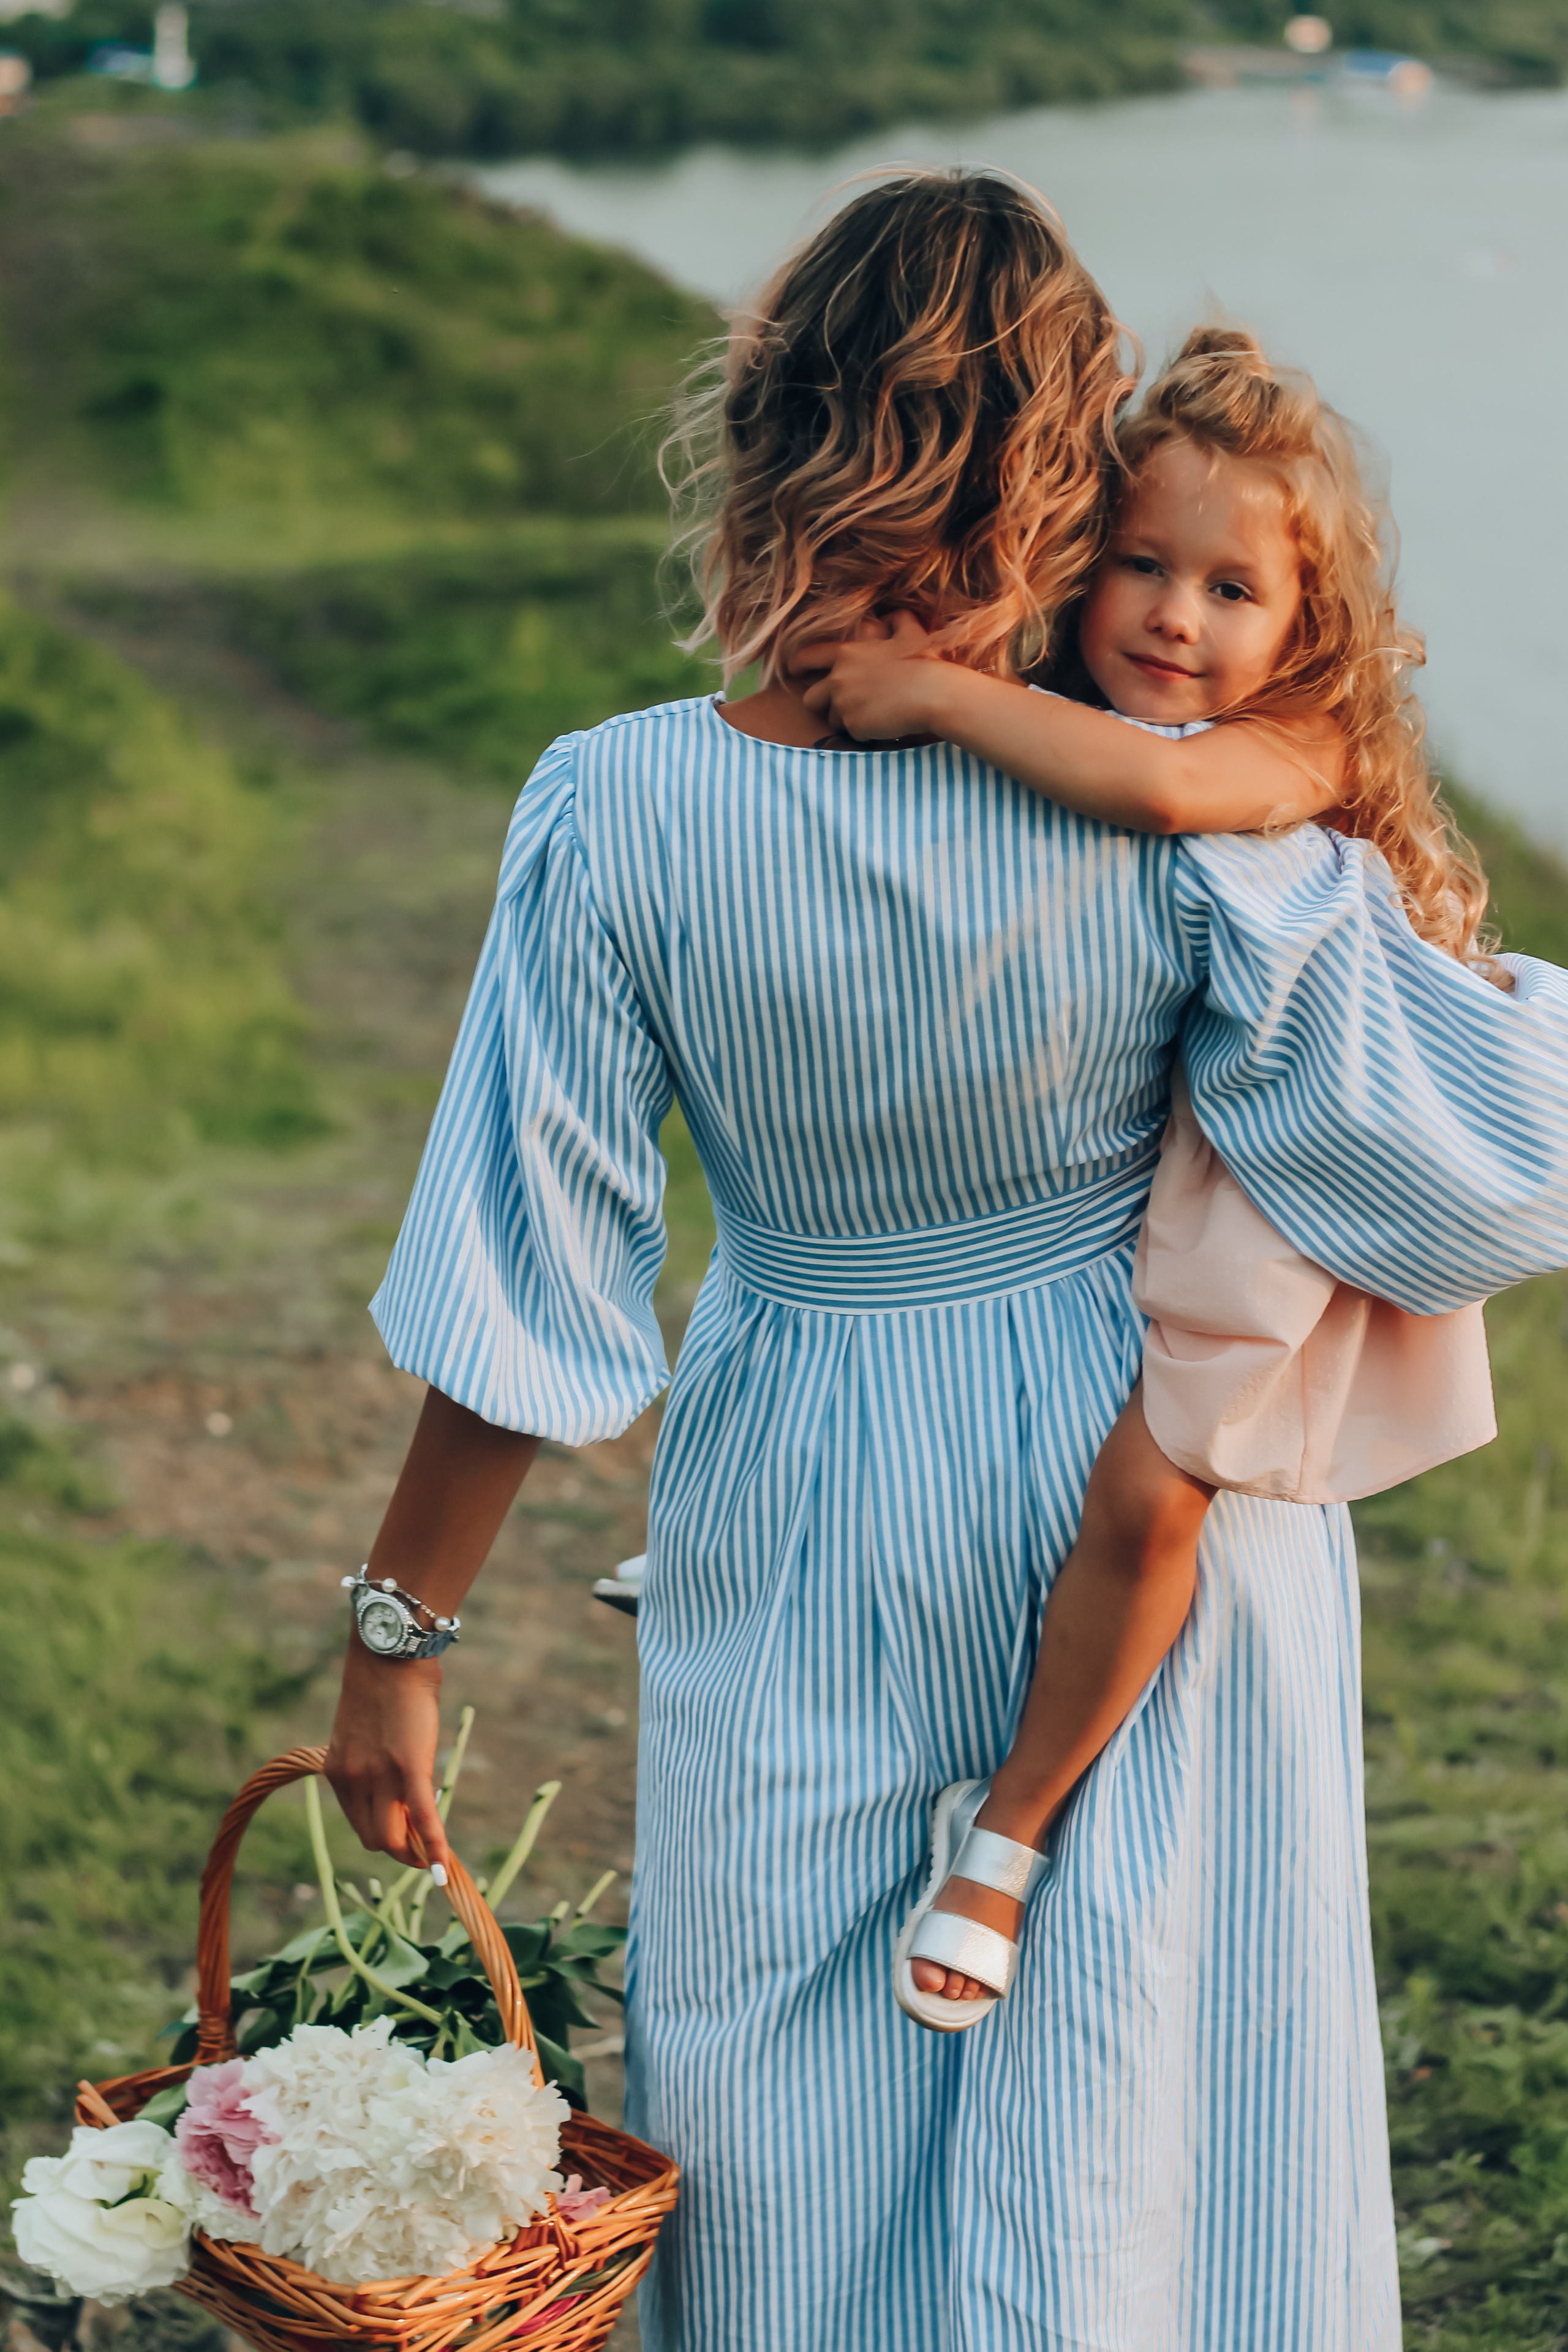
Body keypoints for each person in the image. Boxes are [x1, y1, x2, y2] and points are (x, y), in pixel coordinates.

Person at [325, 172, 1568, 2350]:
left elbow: (526, 1280)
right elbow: (1500, 1158)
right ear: (1072, 462)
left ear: (764, 425)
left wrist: (395, 1639)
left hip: (802, 1474)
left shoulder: (619, 810)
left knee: (779, 2087)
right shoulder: (1187, 809)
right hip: (1147, 1473)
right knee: (1146, 2084)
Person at [799, 325, 1498, 2030]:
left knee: (1156, 1485)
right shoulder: (1070, 712)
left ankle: (1007, 1836)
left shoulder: (1302, 744)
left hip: (1289, 1170)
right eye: (1140, 564)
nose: (1178, 616)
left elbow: (1171, 798)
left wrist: (933, 695)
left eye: (1232, 589)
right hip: (1184, 1127)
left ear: (1307, 625)